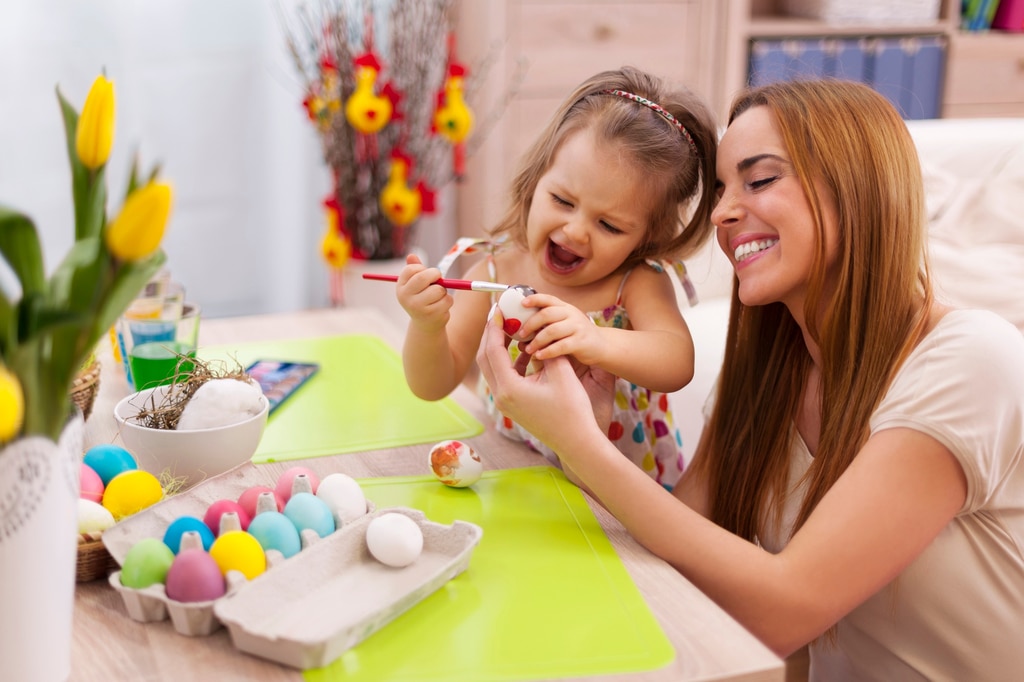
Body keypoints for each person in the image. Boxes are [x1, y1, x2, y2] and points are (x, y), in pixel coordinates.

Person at [477, 78, 1024, 679]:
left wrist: (578, 443)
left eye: (759, 180)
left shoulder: (971, 361)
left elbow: (785, 612)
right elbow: (676, 551)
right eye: (719, 190)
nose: (722, 214)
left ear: (858, 191)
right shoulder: (767, 378)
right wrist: (589, 432)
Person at [397, 66, 718, 489]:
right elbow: (431, 385)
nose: (576, 231)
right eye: (562, 200)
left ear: (647, 236)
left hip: (620, 497)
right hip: (519, 477)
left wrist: (596, 339)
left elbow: (677, 361)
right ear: (536, 180)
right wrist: (426, 325)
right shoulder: (497, 271)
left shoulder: (634, 282)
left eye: (610, 226)